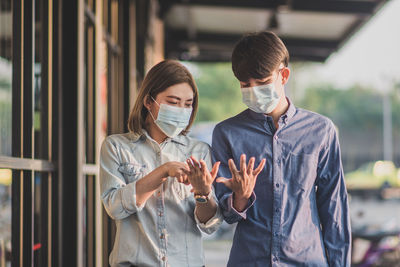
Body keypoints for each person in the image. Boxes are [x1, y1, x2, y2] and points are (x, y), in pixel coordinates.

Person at [212, 31, 351, 266]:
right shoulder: (227, 133)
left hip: (306, 260)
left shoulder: (320, 131)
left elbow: (334, 206)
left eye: (263, 82)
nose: (253, 90)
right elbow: (226, 215)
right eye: (245, 84)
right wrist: (241, 197)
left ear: (283, 75)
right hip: (250, 260)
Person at [100, 60, 222, 267]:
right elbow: (115, 208)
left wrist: (203, 194)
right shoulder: (116, 147)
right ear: (149, 101)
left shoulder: (198, 151)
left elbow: (209, 225)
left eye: (188, 104)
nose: (182, 110)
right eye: (173, 103)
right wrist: (164, 171)